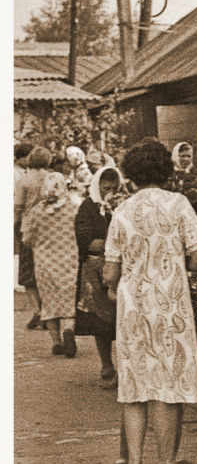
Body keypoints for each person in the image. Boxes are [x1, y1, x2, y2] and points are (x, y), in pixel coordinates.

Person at [103, 138, 197, 464]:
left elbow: (109, 271)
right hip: (170, 304)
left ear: (130, 174)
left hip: (132, 306)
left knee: (135, 384)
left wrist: (120, 282)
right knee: (169, 382)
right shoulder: (179, 204)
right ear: (166, 170)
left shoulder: (122, 210)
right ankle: (167, 463)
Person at [75, 166, 128, 387]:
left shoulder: (126, 204)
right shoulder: (88, 207)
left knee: (125, 320)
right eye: (106, 188)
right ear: (98, 186)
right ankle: (107, 365)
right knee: (101, 323)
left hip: (123, 268)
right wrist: (114, 244)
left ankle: (126, 369)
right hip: (96, 271)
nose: (110, 192)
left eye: (114, 188)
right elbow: (86, 241)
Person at [23, 171, 82, 357]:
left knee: (49, 300)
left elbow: (26, 239)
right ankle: (69, 330)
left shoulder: (36, 211)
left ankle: (56, 341)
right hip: (69, 260)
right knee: (69, 297)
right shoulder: (73, 209)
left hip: (45, 261)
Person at [15, 143, 48, 326]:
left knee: (28, 272)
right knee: (45, 269)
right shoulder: (53, 178)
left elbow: (18, 207)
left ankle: (36, 307)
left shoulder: (25, 180)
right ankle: (47, 310)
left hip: (28, 228)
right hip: (50, 229)